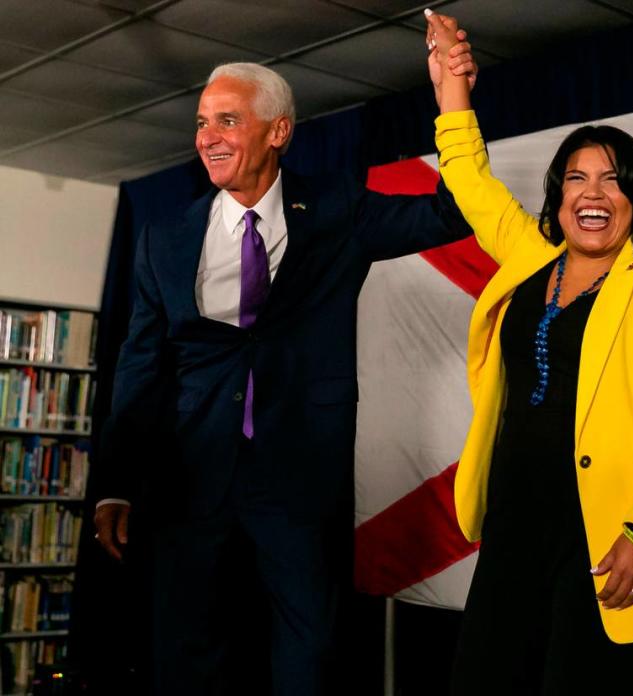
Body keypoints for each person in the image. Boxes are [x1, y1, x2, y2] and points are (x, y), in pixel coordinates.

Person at [92, 42, 478, 695]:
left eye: (227, 121)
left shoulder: (337, 209)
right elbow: (139, 363)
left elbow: (454, 211)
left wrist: (454, 99)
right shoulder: (165, 235)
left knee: (310, 651)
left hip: (300, 478)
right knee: (186, 650)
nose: (207, 137)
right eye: (201, 123)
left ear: (279, 132)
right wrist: (115, 483)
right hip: (189, 477)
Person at [425, 11, 633, 694]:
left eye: (611, 179)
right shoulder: (531, 260)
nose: (592, 192)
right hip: (515, 517)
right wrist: (453, 92)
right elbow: (472, 182)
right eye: (577, 178)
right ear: (558, 197)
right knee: (486, 678)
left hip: (609, 528)